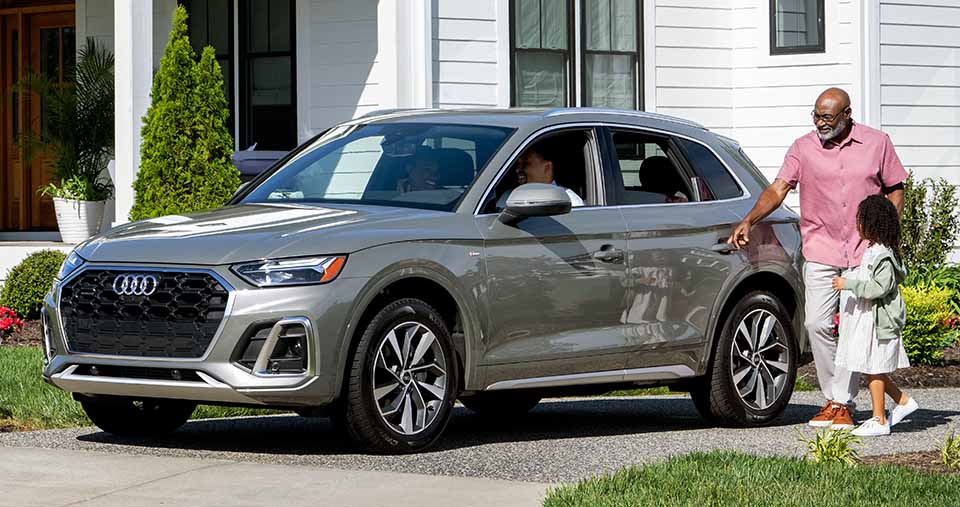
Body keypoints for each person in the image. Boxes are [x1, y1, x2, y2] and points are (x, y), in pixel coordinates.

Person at [727, 87, 908, 430]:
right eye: (816, 116)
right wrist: (750, 219)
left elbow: (895, 188)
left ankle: (840, 403)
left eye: (827, 117)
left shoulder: (877, 143)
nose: (820, 123)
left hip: (864, 252)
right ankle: (836, 398)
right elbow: (779, 188)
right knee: (816, 324)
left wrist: (887, 235)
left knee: (854, 330)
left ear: (846, 114)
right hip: (821, 247)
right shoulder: (803, 148)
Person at [831, 195, 917, 436]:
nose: (857, 224)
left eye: (861, 219)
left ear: (873, 223)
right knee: (870, 368)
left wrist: (849, 284)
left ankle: (879, 419)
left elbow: (879, 288)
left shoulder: (883, 255)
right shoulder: (872, 250)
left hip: (877, 322)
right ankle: (903, 401)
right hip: (868, 319)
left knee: (874, 368)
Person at [496, 141, 585, 209]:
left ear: (547, 167)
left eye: (525, 163)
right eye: (518, 164)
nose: (518, 169)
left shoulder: (570, 202)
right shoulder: (508, 197)